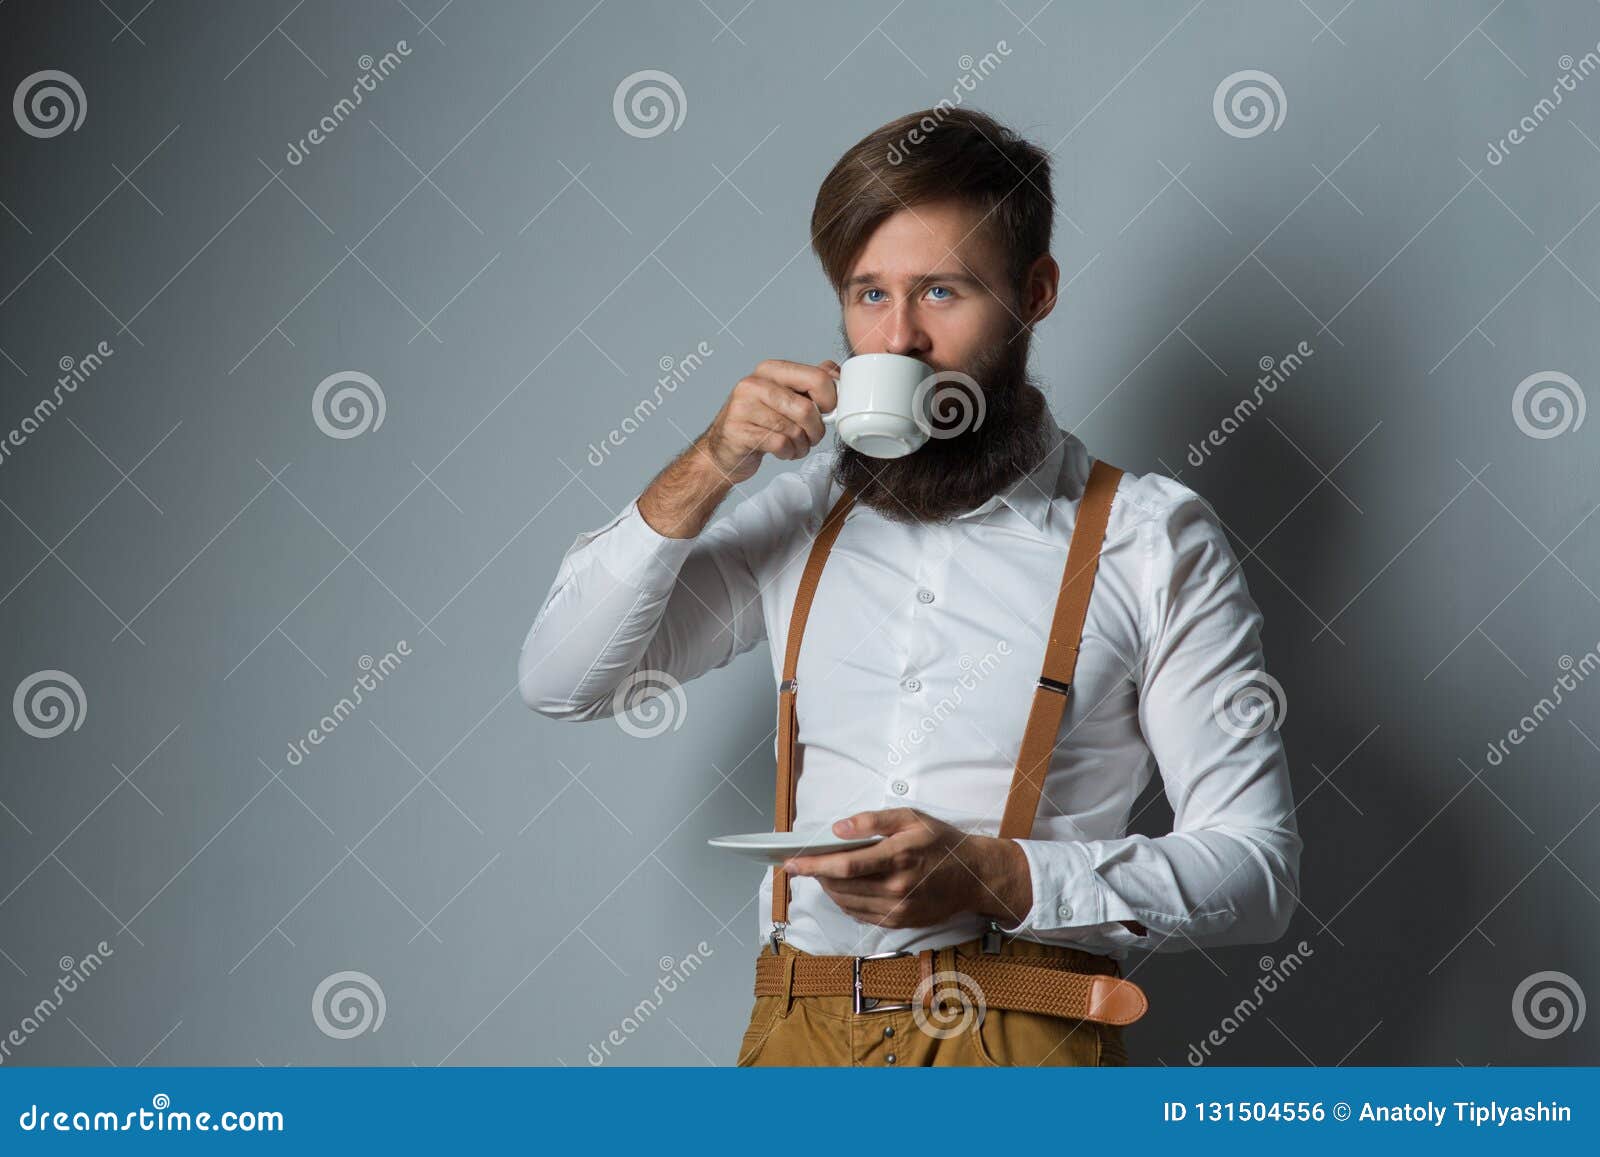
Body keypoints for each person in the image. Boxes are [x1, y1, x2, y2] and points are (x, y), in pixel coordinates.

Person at [519, 107, 1301, 1067]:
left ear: (1035, 292)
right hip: (797, 1032)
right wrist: (714, 462)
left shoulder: (1149, 539)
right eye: (868, 294)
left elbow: (1256, 873)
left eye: (941, 291)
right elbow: (563, 679)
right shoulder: (801, 518)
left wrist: (997, 875)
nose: (897, 340)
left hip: (1017, 1038)